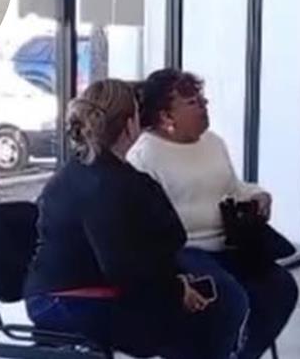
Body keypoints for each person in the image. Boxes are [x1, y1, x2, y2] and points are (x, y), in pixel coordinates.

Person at [24, 79, 249, 359]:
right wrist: (176, 289)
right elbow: (125, 265)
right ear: (130, 125)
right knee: (209, 315)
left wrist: (176, 283)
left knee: (209, 304)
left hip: (57, 295)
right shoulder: (111, 184)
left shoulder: (80, 171)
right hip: (72, 301)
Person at [128, 69, 298, 359]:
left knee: (281, 287)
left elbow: (233, 187)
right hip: (183, 251)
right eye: (192, 103)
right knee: (229, 298)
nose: (204, 106)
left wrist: (257, 195)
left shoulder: (213, 143)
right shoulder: (145, 155)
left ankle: (243, 355)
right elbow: (144, 221)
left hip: (230, 243)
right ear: (166, 115)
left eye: (203, 99)